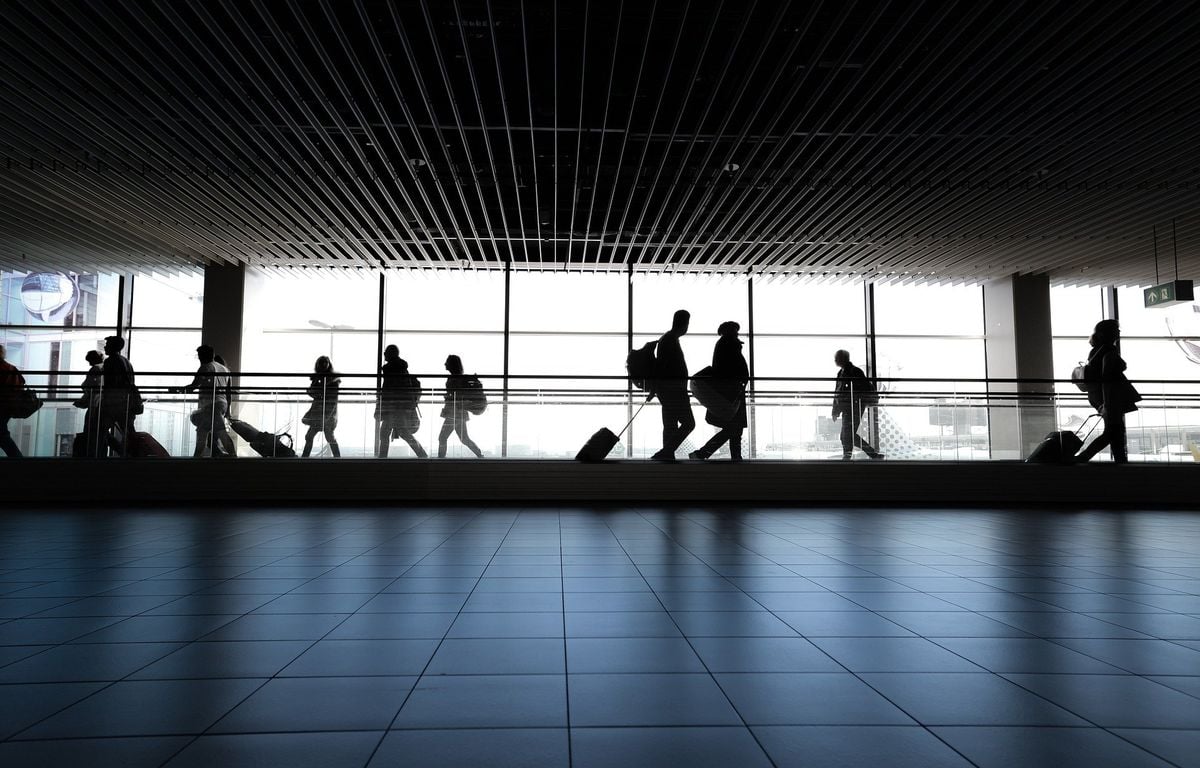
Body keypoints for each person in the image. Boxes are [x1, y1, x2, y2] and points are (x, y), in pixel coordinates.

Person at [1076, 319, 1140, 463]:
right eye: (1116, 329)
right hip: (1109, 396)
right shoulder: (1109, 350)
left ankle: (1119, 460)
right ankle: (1084, 457)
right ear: (1108, 333)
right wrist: (1107, 403)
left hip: (1097, 395)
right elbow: (1107, 378)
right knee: (1114, 431)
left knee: (1115, 430)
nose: (1119, 331)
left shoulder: (1096, 350)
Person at [690, 321, 749, 461]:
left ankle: (706, 454)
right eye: (735, 331)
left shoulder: (724, 344)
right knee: (734, 428)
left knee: (734, 428)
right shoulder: (729, 344)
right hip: (731, 393)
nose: (737, 333)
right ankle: (704, 454)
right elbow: (731, 369)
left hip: (730, 392)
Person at [172, 345, 235, 458]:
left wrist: (178, 390)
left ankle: (234, 457)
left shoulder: (205, 368)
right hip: (222, 404)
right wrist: (227, 411)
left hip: (211, 405)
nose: (199, 359)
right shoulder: (225, 370)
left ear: (203, 356)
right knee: (202, 432)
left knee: (220, 433)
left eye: (200, 356)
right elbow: (228, 393)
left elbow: (194, 386)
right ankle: (197, 458)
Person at [650, 309, 695, 461]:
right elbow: (662, 366)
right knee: (688, 423)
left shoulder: (668, 339)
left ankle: (667, 454)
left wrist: (655, 388)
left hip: (668, 389)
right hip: (674, 390)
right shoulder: (670, 340)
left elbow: (661, 366)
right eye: (687, 323)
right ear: (683, 323)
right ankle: (666, 452)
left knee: (670, 425)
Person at [90, 336, 137, 457]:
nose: (105, 346)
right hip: (126, 402)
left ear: (113, 346)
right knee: (128, 431)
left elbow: (111, 384)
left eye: (107, 344)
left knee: (98, 430)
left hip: (113, 403)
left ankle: (102, 456)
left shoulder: (110, 361)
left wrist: (104, 402)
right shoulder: (126, 361)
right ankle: (131, 455)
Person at [832, 349, 883, 461]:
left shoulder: (853, 372)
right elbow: (838, 392)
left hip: (854, 408)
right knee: (847, 435)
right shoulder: (842, 372)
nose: (835, 360)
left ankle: (848, 456)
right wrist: (835, 410)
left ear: (843, 359)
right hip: (848, 408)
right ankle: (869, 455)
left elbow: (840, 392)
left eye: (837, 358)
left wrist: (836, 409)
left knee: (847, 435)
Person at [377, 345, 427, 458]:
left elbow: (386, 391)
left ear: (390, 354)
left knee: (386, 433)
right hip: (402, 407)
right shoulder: (402, 369)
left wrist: (381, 408)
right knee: (402, 432)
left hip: (393, 407)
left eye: (386, 352)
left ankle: (382, 459)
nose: (384, 354)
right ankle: (422, 454)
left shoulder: (390, 370)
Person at [437, 354, 482, 458]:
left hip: (454, 412)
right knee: (464, 438)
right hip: (459, 411)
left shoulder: (454, 379)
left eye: (447, 362)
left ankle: (440, 459)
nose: (445, 364)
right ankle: (479, 454)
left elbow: (455, 395)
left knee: (443, 437)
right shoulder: (459, 378)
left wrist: (448, 396)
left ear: (452, 365)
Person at [301, 355, 341, 457]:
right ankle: (337, 458)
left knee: (324, 436)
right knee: (320, 436)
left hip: (325, 412)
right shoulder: (326, 380)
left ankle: (304, 458)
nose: (323, 365)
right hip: (321, 412)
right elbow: (314, 393)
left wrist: (327, 415)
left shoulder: (330, 381)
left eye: (324, 363)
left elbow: (331, 399)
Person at [0, 344, 25, 457]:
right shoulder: (11, 368)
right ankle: (17, 459)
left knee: (2, 434)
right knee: (2, 433)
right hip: (7, 405)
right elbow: (20, 384)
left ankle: (17, 459)